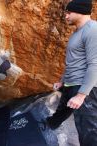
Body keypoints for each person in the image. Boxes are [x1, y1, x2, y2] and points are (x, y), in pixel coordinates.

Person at [42, 0, 97, 145]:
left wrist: (81, 96)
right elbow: (73, 61)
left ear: (80, 11)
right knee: (62, 111)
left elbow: (94, 64)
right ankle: (49, 125)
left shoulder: (92, 30)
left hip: (84, 89)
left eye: (69, 12)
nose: (66, 16)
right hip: (71, 84)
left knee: (88, 130)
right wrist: (62, 80)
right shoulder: (77, 32)